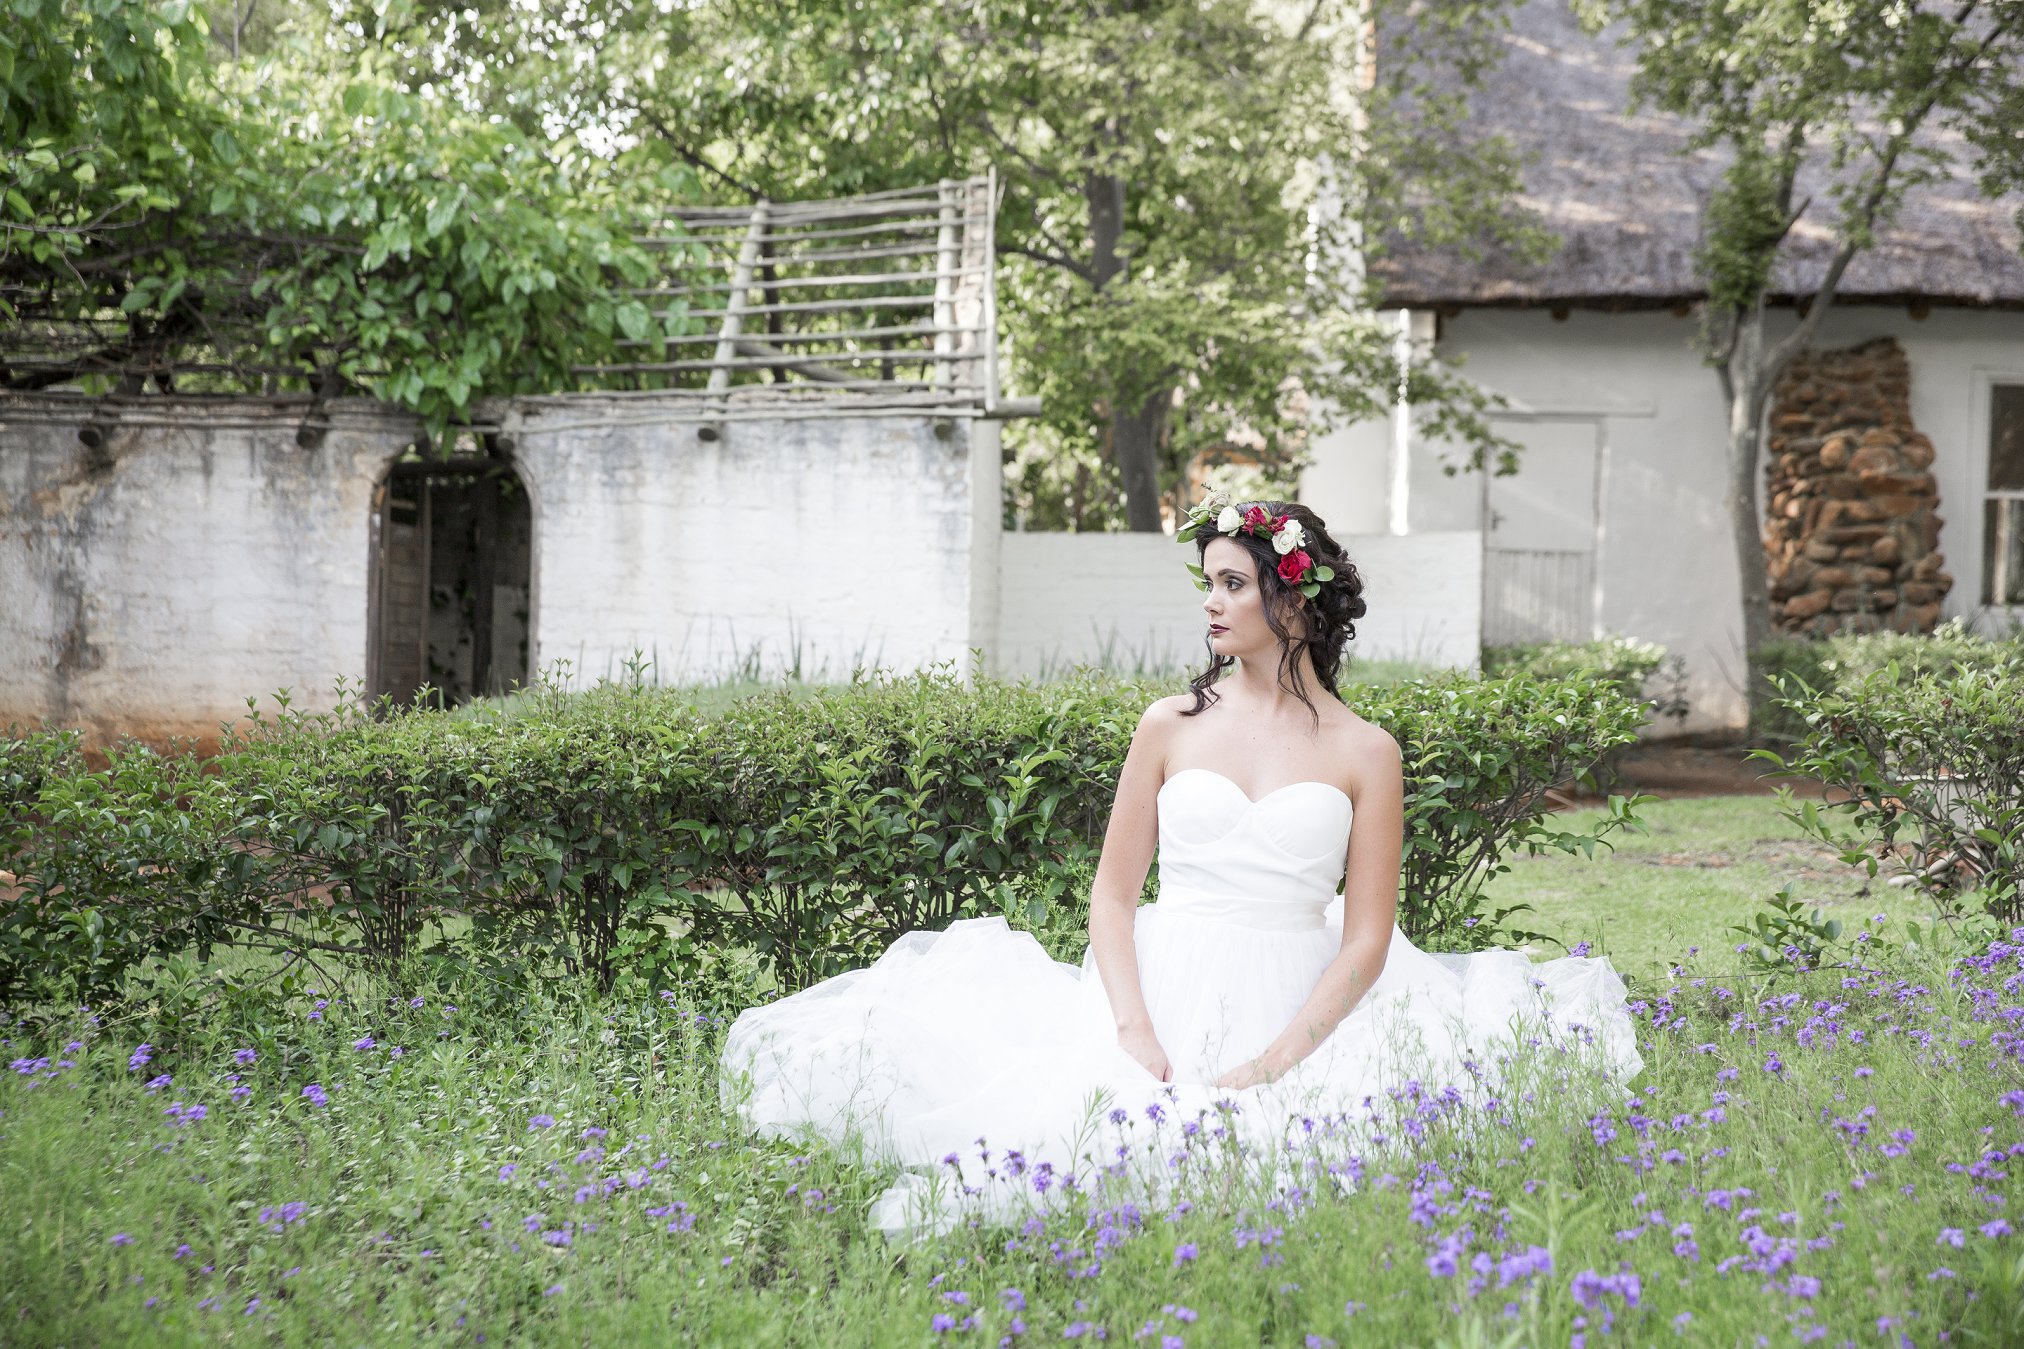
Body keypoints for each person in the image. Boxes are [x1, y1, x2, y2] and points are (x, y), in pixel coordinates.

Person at [720, 494, 1641, 1234]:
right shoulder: (1169, 724)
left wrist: (1278, 1060)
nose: (1211, 602)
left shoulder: (1368, 750)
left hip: (1299, 991)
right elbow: (1113, 894)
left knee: (1304, 1162)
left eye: (1233, 583)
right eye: (1209, 583)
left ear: (1294, 601)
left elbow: (1366, 939)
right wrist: (1131, 1026)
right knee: (1073, 1152)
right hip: (1164, 977)